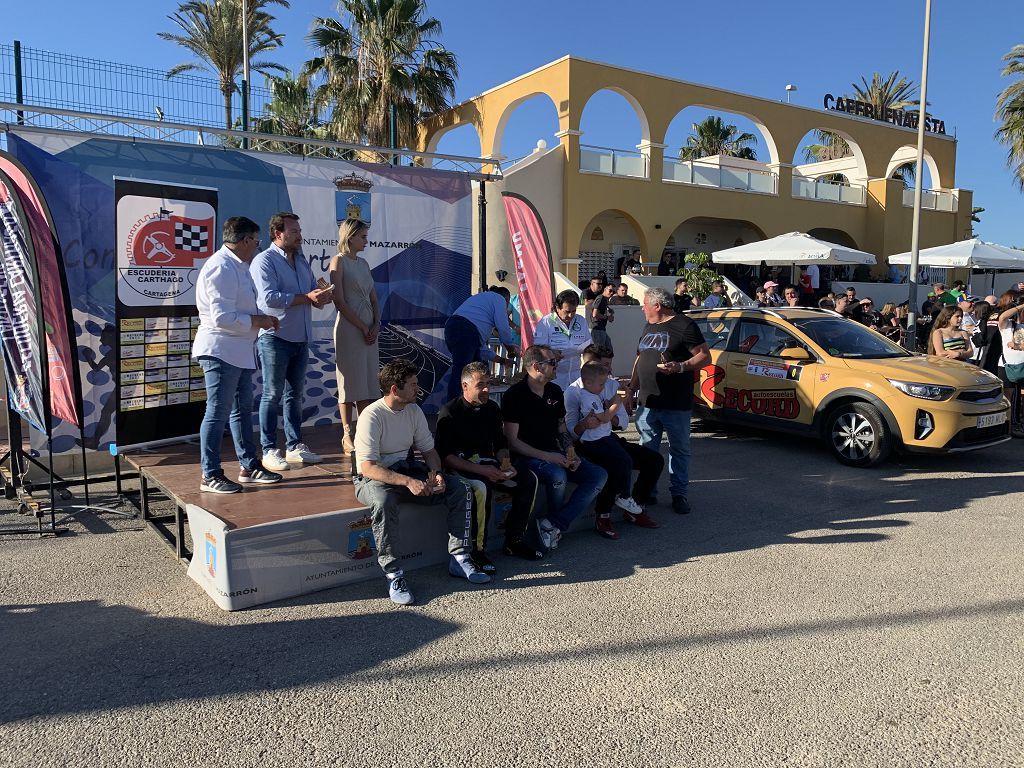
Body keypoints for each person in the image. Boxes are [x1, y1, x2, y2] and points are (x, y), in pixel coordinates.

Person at [354, 360, 489, 606]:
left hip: (407, 470)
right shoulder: (371, 415)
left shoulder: (414, 410)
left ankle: (459, 557)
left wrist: (435, 472)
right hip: (374, 477)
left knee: (459, 488)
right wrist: (408, 482)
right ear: (395, 389)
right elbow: (368, 468)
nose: (419, 389)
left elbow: (429, 451)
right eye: (414, 384)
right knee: (383, 501)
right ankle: (393, 574)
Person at [193, 216, 284, 494]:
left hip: (239, 351)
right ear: (245, 241)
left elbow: (243, 309)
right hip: (221, 349)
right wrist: (258, 321)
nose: (258, 246)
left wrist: (261, 319)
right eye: (257, 241)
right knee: (217, 413)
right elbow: (221, 317)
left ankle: (249, 465)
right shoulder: (221, 267)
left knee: (241, 412)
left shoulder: (239, 266)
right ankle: (210, 474)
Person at [435, 362, 544, 563]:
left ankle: (514, 541)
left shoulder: (492, 408)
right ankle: (478, 552)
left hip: (489, 465)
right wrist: (482, 470)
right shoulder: (449, 412)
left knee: (529, 479)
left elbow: (501, 444)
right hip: (462, 468)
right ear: (464, 386)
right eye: (480, 385)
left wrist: (505, 462)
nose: (486, 389)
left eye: (488, 383)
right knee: (481, 488)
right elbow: (447, 457)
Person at [501, 345, 607, 551]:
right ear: (535, 367)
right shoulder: (514, 395)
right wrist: (549, 457)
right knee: (558, 474)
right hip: (527, 457)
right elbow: (512, 441)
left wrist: (571, 452)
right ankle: (551, 527)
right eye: (551, 362)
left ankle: (553, 524)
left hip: (553, 453)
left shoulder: (555, 391)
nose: (556, 365)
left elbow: (561, 430)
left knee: (598, 475)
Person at [252, 212, 333, 471]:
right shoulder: (263, 261)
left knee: (294, 396)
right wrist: (307, 297)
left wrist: (321, 298)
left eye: (299, 230)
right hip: (275, 337)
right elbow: (268, 299)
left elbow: (310, 293)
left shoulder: (301, 260)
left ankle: (295, 446)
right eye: (294, 231)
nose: (300, 235)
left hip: (301, 337)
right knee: (272, 394)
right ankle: (268, 450)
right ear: (278, 234)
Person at [628, 287, 710, 515]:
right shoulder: (648, 326)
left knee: (679, 450)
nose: (642, 308)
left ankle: (679, 494)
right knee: (648, 451)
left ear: (658, 305)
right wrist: (631, 389)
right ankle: (647, 492)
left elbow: (705, 355)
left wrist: (681, 366)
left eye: (645, 304)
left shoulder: (684, 325)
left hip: (675, 403)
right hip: (647, 401)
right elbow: (639, 359)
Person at [566, 361, 663, 538]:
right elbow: (574, 430)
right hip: (590, 443)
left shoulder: (603, 385)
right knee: (618, 464)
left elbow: (623, 422)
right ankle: (605, 514)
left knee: (654, 460)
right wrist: (617, 403)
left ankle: (635, 507)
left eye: (609, 366)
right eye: (604, 367)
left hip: (607, 437)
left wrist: (618, 399)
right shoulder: (576, 392)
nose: (607, 383)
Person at [329, 218, 380, 455]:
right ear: (350, 237)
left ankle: (364, 431)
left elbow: (373, 297)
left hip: (369, 327)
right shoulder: (338, 262)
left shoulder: (364, 264)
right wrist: (361, 326)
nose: (366, 241)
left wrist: (376, 324)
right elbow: (339, 301)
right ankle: (346, 433)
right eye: (363, 236)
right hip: (350, 329)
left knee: (368, 381)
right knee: (349, 382)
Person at [443, 286, 520, 403]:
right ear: (506, 299)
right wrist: (510, 347)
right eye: (507, 305)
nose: (506, 309)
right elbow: (503, 327)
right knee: (463, 371)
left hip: (453, 329)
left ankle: (473, 404)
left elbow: (482, 350)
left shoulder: (480, 309)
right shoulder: (498, 298)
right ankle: (453, 409)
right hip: (464, 330)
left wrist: (503, 361)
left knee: (478, 369)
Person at [532, 289, 592, 389]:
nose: (571, 315)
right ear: (557, 308)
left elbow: (589, 346)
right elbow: (537, 349)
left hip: (576, 377)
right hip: (554, 377)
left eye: (574, 311)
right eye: (567, 311)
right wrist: (551, 353)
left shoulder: (581, 320)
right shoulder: (545, 322)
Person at [590, 282, 615, 353]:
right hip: (597, 328)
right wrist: (607, 317)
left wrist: (609, 310)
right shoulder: (600, 298)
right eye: (610, 290)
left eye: (613, 291)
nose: (612, 293)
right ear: (605, 289)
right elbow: (595, 314)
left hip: (601, 328)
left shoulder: (604, 300)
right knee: (599, 352)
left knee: (608, 350)